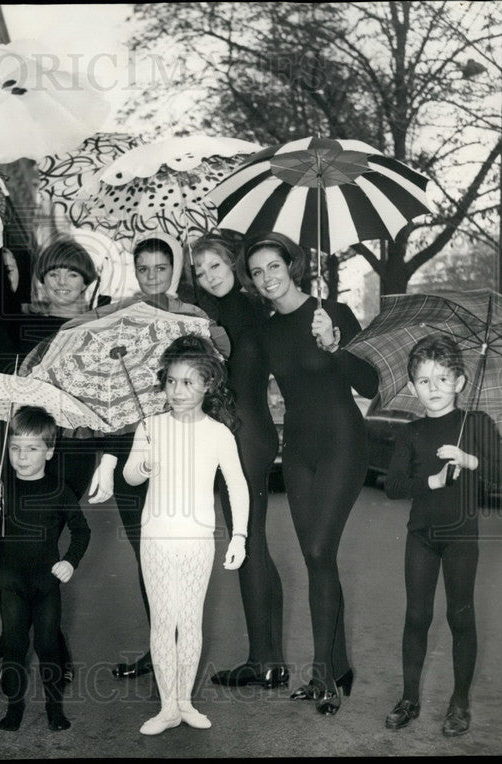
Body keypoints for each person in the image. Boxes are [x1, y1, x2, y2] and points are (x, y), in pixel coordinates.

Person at [0, 202, 114, 684]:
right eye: (54, 273)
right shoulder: (23, 320)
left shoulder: (97, 328)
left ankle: (43, 648)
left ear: (87, 282)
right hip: (19, 448)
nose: (61, 282)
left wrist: (110, 460)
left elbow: (112, 394)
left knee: (43, 554)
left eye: (73, 275)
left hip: (70, 451)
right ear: (42, 280)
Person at [242, 234, 379, 715]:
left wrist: (335, 344)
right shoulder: (268, 328)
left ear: (292, 266)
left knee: (320, 549)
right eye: (257, 272)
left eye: (273, 266)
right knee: (316, 559)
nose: (267, 278)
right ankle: (339, 665)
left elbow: (371, 384)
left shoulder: (334, 312)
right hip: (297, 448)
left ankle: (323, 678)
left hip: (342, 441)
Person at [107, 237, 230, 679]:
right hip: (137, 446)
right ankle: (159, 642)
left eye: (161, 268)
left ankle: (184, 645)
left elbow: (217, 362)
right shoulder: (118, 319)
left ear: (173, 271)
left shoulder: (190, 316)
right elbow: (109, 398)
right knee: (148, 553)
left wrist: (206, 332)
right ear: (135, 271)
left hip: (185, 447)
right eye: (144, 269)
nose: (153, 276)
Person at [122, 334, 249, 735]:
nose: (178, 390)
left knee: (190, 623)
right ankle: (166, 708)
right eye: (172, 381)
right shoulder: (149, 426)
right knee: (162, 623)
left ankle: (185, 702)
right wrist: (143, 468)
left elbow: (237, 485)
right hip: (157, 536)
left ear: (209, 384)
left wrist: (240, 535)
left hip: (197, 539)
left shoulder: (218, 433)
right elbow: (128, 474)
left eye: (190, 382)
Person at [382, 334, 502, 737]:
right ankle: (410, 697)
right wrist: (432, 481)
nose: (432, 389)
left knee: (459, 615)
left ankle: (459, 702)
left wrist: (470, 460)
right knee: (416, 615)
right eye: (422, 381)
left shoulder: (478, 425)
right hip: (421, 535)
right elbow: (393, 485)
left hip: (460, 537)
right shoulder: (411, 431)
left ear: (461, 382)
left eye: (441, 379)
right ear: (413, 386)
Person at [187, 234, 288, 690]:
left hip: (243, 431)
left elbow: (243, 378)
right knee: (253, 542)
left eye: (215, 266)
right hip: (242, 429)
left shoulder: (245, 310)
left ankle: (264, 659)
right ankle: (268, 657)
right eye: (200, 270)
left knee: (246, 542)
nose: (208, 276)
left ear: (233, 265)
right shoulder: (219, 311)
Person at [0, 406, 91, 732]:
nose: (22, 456)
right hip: (11, 582)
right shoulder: (3, 489)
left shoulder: (60, 491)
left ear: (50, 450)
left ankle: (54, 709)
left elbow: (82, 531)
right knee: (15, 647)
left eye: (31, 449)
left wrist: (70, 561)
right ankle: (14, 708)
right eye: (15, 448)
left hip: (46, 584)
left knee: (47, 646)